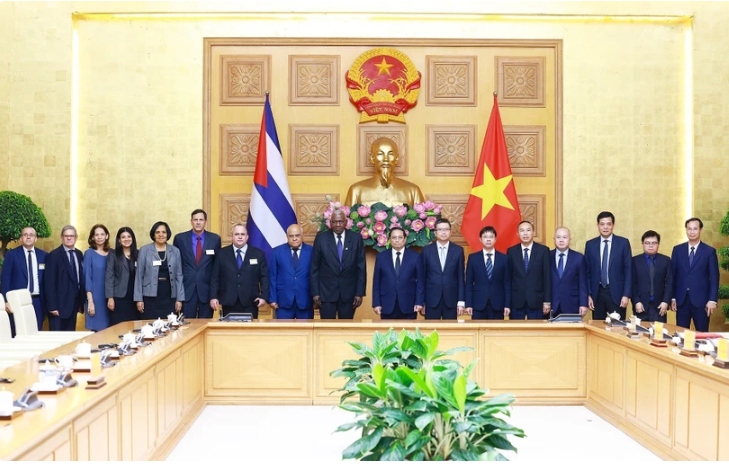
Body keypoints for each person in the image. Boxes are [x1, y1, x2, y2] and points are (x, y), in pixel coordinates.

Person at [310, 209, 366, 319]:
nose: (338, 225)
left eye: (340, 221)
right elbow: (314, 267)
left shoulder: (356, 238)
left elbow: (361, 268)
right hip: (326, 294)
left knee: (346, 329)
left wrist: (359, 293)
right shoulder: (321, 238)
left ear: (346, 222)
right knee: (326, 329)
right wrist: (315, 293)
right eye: (335, 222)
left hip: (349, 294)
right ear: (330, 223)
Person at [344, 137, 425, 207]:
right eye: (380, 154)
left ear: (396, 158)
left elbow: (422, 221)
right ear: (372, 158)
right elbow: (347, 222)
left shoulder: (413, 191)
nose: (386, 159)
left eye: (390, 154)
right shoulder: (356, 190)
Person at [210, 223, 269, 318]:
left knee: (249, 332)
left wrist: (264, 297)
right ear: (232, 237)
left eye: (242, 234)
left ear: (247, 237)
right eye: (237, 234)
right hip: (228, 301)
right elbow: (215, 277)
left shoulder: (258, 254)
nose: (240, 237)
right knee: (230, 331)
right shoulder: (221, 254)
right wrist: (213, 297)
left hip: (251, 301)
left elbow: (264, 278)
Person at [671, 217, 719, 332]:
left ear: (700, 230)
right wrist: (672, 297)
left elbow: (714, 278)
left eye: (695, 229)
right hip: (681, 301)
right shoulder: (677, 250)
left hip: (702, 302)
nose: (692, 232)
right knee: (681, 334)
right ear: (686, 230)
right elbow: (673, 275)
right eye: (689, 229)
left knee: (702, 335)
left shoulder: (709, 251)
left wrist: (712, 300)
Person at [173, 209, 221, 319]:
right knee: (186, 325)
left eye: (201, 220)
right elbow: (176, 266)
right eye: (195, 220)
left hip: (207, 291)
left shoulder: (215, 239)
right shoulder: (180, 239)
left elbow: (217, 267)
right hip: (186, 290)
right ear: (191, 221)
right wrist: (177, 295)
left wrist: (215, 294)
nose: (198, 222)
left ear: (205, 222)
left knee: (205, 325)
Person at [584, 211, 632, 320]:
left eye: (608, 224)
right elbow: (587, 272)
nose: (605, 227)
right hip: (597, 293)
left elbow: (628, 270)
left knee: (618, 328)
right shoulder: (590, 245)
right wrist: (589, 295)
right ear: (598, 226)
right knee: (597, 328)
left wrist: (626, 295)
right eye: (602, 224)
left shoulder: (623, 243)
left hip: (617, 294)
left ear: (613, 225)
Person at [1, 226, 47, 333]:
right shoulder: (12, 255)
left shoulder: (44, 256)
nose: (28, 237)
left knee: (36, 331)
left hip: (38, 301)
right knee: (17, 331)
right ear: (21, 238)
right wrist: (6, 301)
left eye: (31, 235)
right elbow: (5, 278)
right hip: (17, 301)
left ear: (36, 239)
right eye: (25, 235)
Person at [134, 221, 184, 320]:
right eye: (157, 232)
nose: (161, 235)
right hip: (149, 297)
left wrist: (180, 298)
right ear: (153, 234)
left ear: (167, 234)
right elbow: (139, 275)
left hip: (170, 296)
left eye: (163, 232)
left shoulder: (175, 251)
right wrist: (138, 299)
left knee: (169, 327)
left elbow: (179, 275)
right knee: (150, 326)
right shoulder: (145, 250)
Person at [372, 227, 424, 320]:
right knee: (387, 333)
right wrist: (376, 303)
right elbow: (376, 282)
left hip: (409, 304)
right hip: (386, 304)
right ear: (389, 240)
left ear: (405, 239)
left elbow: (420, 281)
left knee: (408, 333)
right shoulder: (381, 257)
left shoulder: (415, 256)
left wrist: (419, 302)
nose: (397, 240)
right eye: (394, 237)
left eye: (400, 237)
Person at [506, 220, 551, 320]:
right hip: (516, 301)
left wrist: (547, 301)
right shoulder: (511, 251)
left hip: (537, 300)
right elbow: (508, 278)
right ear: (517, 234)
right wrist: (507, 303)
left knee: (537, 333)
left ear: (533, 233)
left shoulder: (543, 251)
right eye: (522, 231)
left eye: (528, 230)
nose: (525, 233)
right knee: (516, 332)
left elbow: (547, 277)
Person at [421, 218, 465, 320]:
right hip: (431, 300)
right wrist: (421, 301)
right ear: (435, 232)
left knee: (450, 332)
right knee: (430, 333)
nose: (443, 232)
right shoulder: (426, 251)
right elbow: (422, 277)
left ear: (450, 232)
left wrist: (461, 301)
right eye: (440, 230)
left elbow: (461, 278)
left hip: (451, 299)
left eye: (446, 229)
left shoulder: (458, 250)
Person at [44, 225, 85, 331]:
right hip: (58, 306)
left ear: (76, 237)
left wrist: (80, 302)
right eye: (66, 236)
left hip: (74, 305)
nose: (69, 238)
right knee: (57, 339)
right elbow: (49, 283)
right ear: (61, 237)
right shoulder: (53, 256)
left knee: (69, 337)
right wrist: (52, 306)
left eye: (71, 236)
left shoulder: (79, 254)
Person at [465, 226, 511, 320]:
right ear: (480, 239)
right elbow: (469, 283)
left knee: (496, 333)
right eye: (485, 237)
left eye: (491, 237)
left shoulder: (504, 258)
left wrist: (507, 305)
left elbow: (507, 283)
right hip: (478, 303)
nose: (488, 239)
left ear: (495, 239)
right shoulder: (473, 258)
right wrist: (468, 304)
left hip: (498, 304)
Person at [269, 224, 313, 319]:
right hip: (283, 302)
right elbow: (272, 277)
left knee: (305, 333)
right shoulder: (277, 252)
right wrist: (272, 299)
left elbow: (316, 276)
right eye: (291, 236)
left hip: (306, 301)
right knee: (285, 333)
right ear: (287, 237)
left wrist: (316, 299)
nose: (294, 239)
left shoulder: (312, 252)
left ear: (302, 236)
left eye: (297, 235)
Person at [632, 230, 672, 323]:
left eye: (654, 243)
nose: (651, 245)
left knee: (658, 335)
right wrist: (636, 301)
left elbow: (670, 282)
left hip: (660, 306)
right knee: (639, 334)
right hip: (640, 306)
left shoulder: (666, 260)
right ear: (642, 244)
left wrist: (666, 301)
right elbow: (632, 283)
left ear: (658, 244)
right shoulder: (635, 261)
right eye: (647, 243)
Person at [105, 226, 140, 325]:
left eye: (129, 236)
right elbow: (109, 277)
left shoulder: (139, 254)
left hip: (135, 298)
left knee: (134, 327)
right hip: (119, 298)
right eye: (123, 237)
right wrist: (110, 298)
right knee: (118, 327)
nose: (126, 239)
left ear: (132, 238)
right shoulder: (113, 255)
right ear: (119, 240)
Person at [551, 227, 588, 317]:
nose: (561, 240)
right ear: (554, 239)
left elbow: (582, 282)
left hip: (572, 304)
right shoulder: (547, 256)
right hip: (551, 304)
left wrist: (583, 303)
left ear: (570, 239)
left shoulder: (579, 258)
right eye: (558, 237)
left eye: (565, 237)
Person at [83, 224, 111, 331]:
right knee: (97, 333)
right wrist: (90, 302)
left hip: (110, 298)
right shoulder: (89, 253)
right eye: (97, 235)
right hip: (95, 299)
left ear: (107, 236)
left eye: (102, 234)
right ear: (93, 237)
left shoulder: (112, 253)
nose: (99, 237)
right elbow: (87, 278)